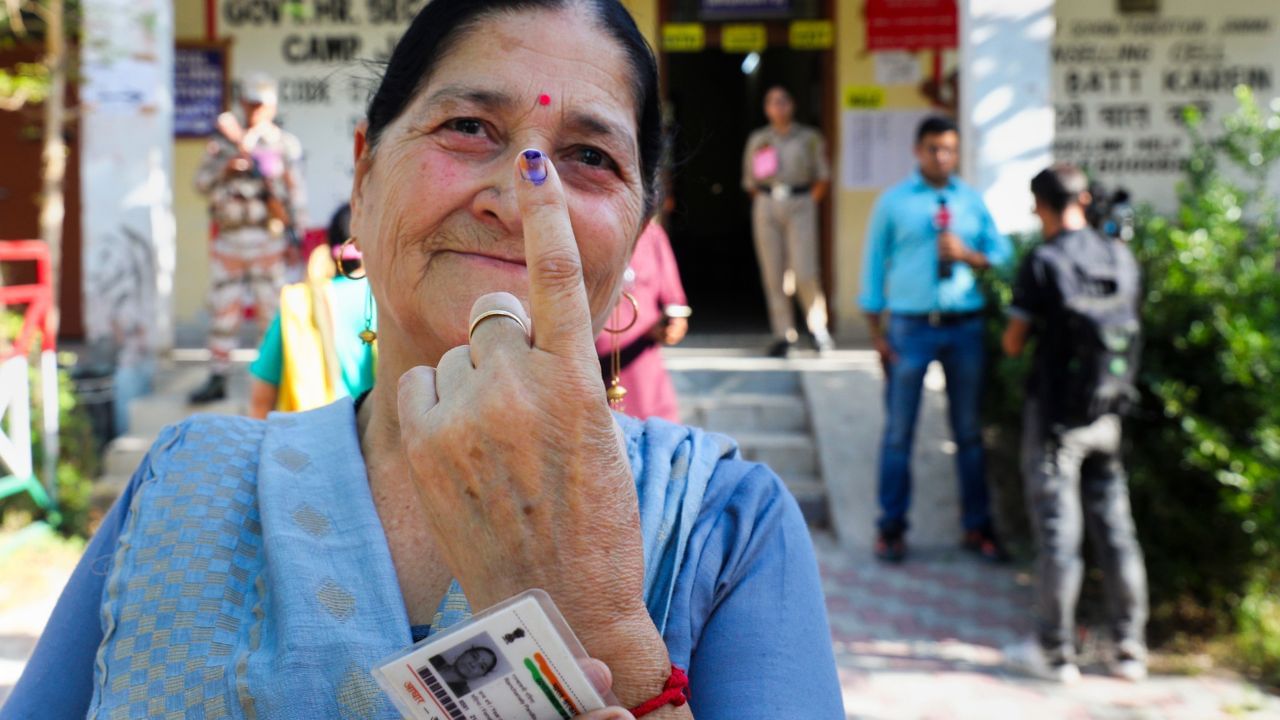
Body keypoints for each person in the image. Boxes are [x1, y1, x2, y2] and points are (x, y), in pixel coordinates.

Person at [3, 2, 843, 718]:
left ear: (633, 237)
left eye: (590, 157)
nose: (522, 196)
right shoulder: (185, 485)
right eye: (469, 127)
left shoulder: (726, 525)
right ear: (363, 178)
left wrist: (598, 620)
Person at [1001, 163, 1149, 684]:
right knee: (1117, 530)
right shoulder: (1120, 255)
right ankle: (1130, 648)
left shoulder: (1042, 261)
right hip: (1110, 410)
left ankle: (1055, 652)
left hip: (1057, 418)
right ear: (1082, 200)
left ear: (1038, 204)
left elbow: (1013, 342)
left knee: (1060, 537)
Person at [859, 115, 1013, 564]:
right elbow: (873, 267)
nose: (941, 156)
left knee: (968, 432)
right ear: (917, 150)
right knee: (898, 434)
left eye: (949, 149)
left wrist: (969, 255)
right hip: (910, 326)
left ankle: (977, 527)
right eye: (933, 148)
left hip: (964, 325)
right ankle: (890, 528)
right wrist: (876, 333)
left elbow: (1002, 256)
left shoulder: (970, 202)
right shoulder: (894, 203)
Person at [189, 72, 308, 404]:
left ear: (271, 107)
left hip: (268, 240)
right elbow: (200, 183)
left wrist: (294, 238)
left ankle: (273, 379)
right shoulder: (223, 143)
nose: (254, 110)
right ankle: (217, 375)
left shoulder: (284, 144)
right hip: (229, 240)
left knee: (271, 313)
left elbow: (296, 196)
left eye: (260, 104)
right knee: (223, 311)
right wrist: (226, 167)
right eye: (249, 103)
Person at [247, 204, 377, 418]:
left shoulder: (300, 303)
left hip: (317, 440)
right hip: (384, 442)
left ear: (330, 246)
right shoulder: (396, 300)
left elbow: (261, 399)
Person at [741, 86, 835, 357]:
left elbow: (822, 176)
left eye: (783, 101)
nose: (778, 107)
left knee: (805, 270)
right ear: (766, 109)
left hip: (801, 201)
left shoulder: (809, 137)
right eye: (772, 102)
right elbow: (750, 180)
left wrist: (806, 201)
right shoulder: (759, 139)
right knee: (774, 273)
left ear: (791, 105)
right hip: (767, 202)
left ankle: (818, 329)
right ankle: (783, 333)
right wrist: (767, 201)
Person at [594, 219, 690, 423]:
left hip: (644, 375)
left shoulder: (651, 234)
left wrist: (671, 327)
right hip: (589, 371)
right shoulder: (574, 228)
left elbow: (675, 304)